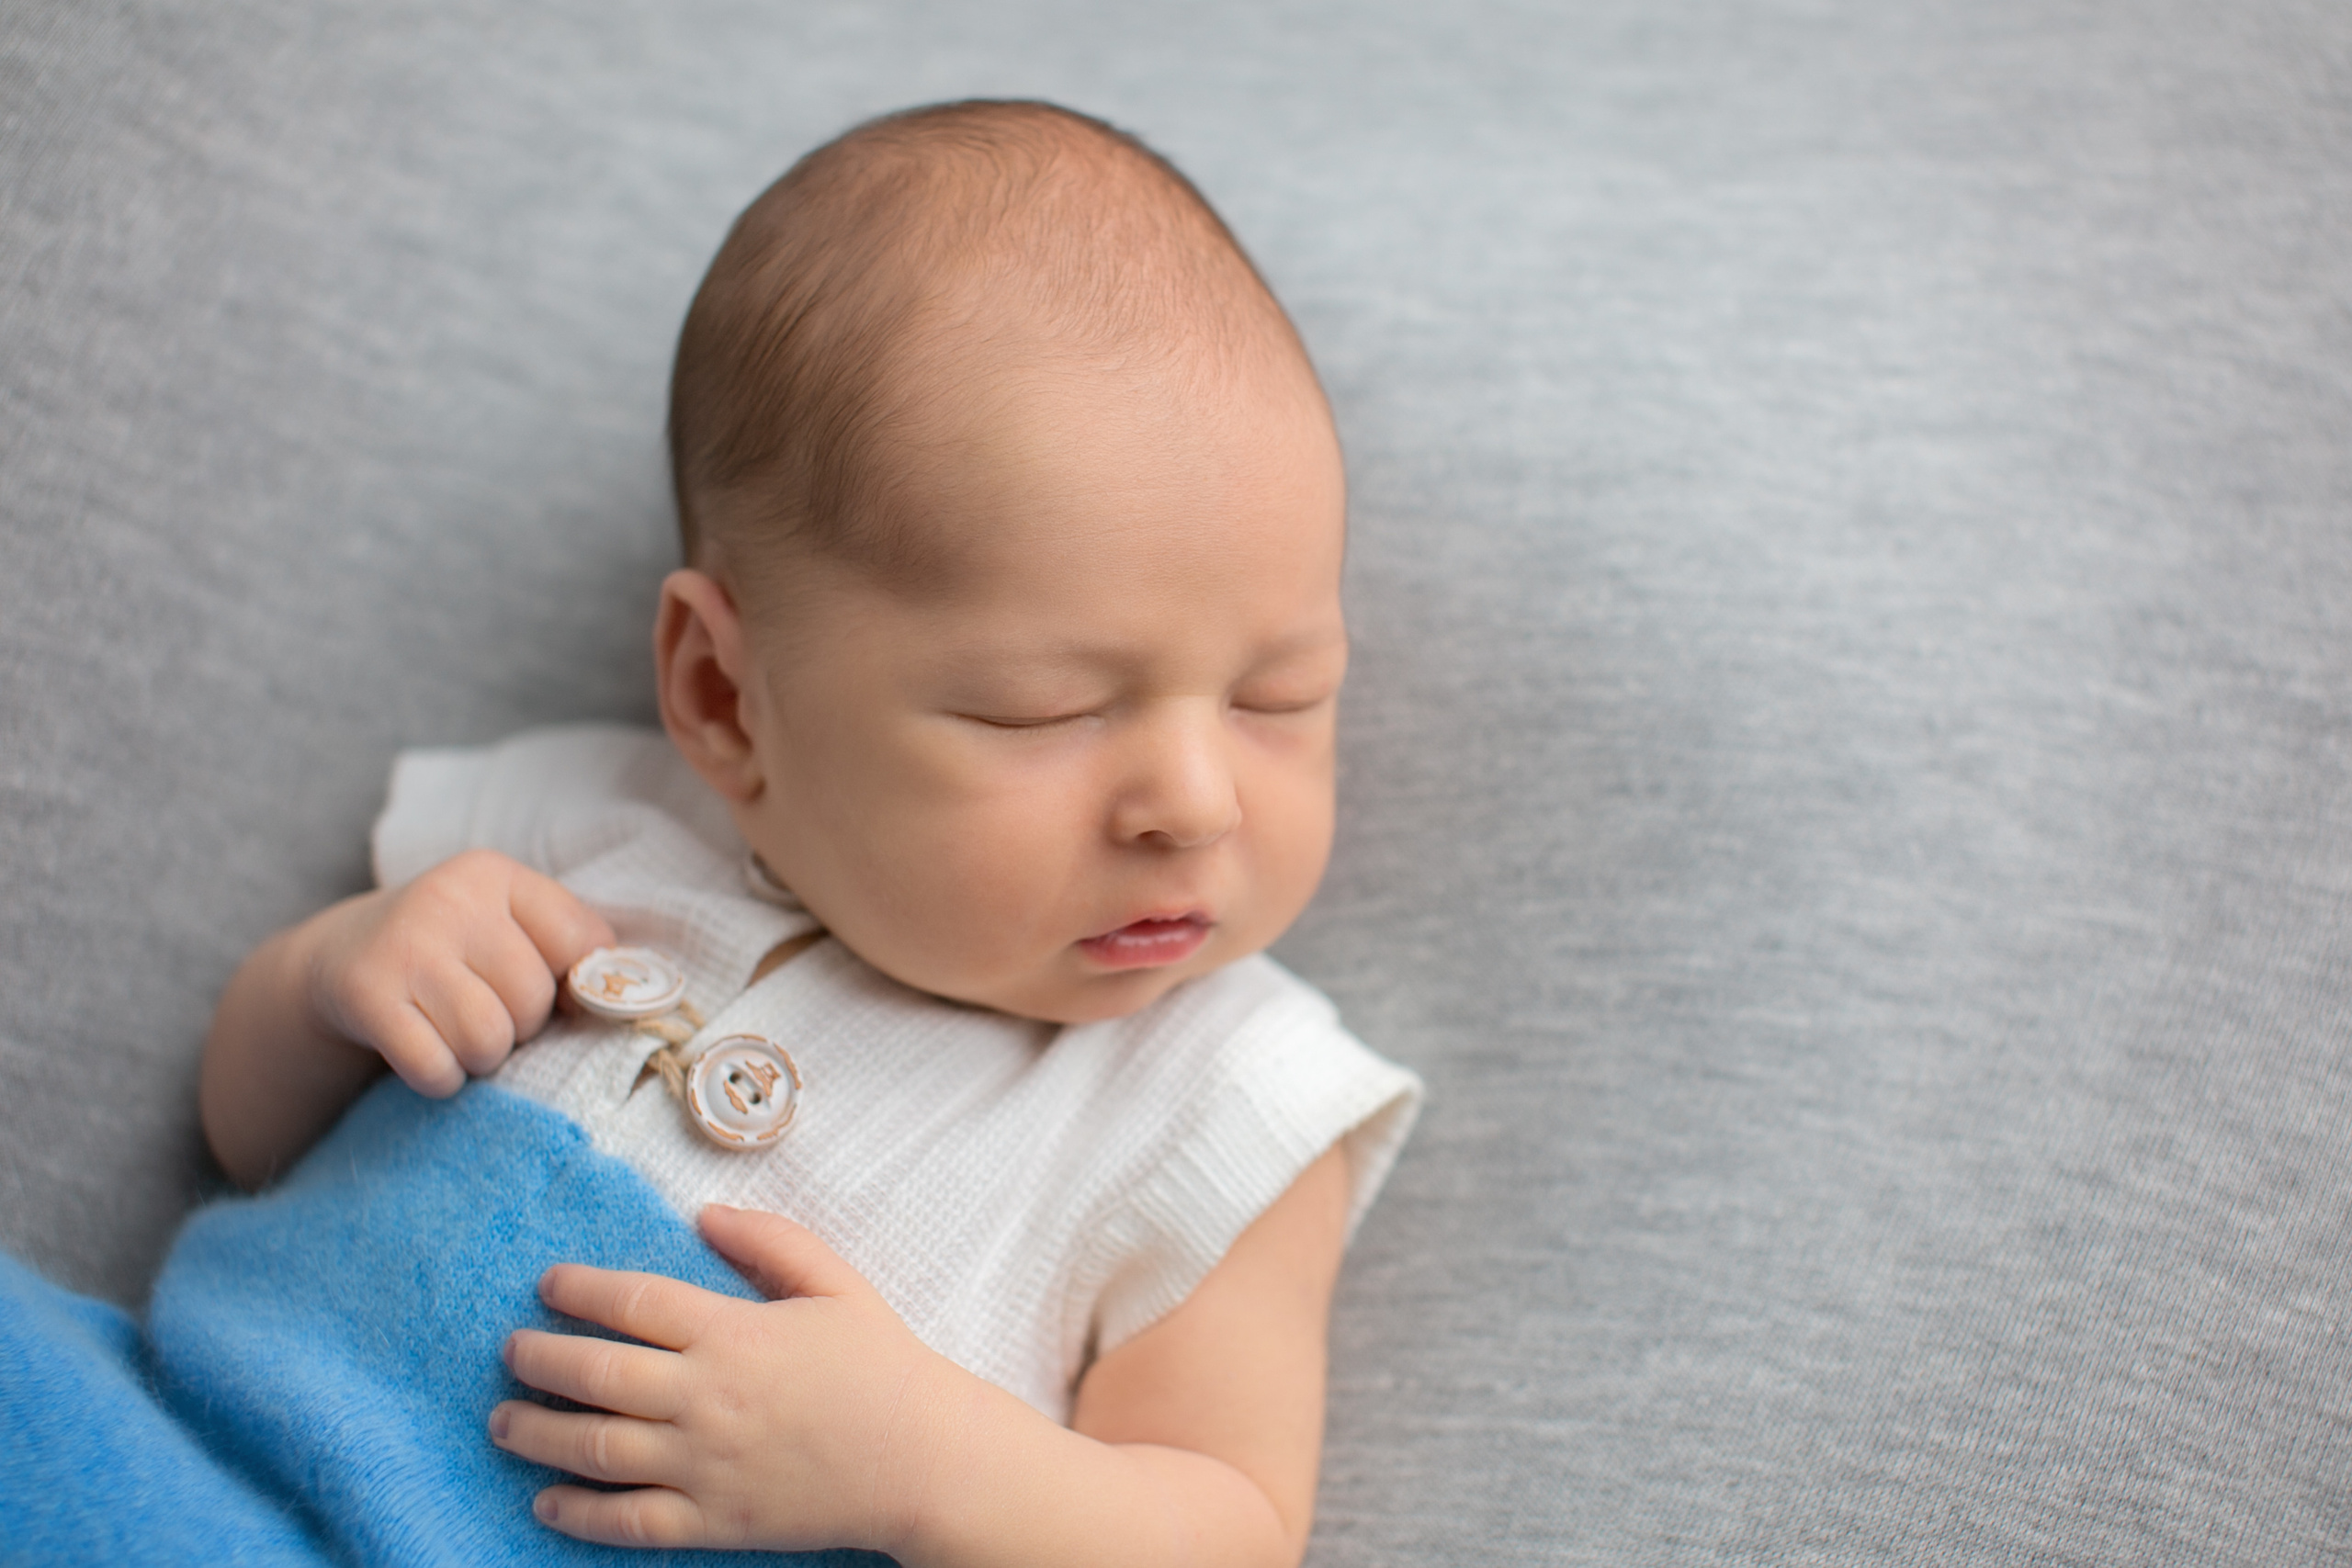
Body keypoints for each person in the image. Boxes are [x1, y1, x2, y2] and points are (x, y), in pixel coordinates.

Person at [0, 99, 1419, 1567]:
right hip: (171, 1451)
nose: (1195, 801)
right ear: (724, 696)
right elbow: (245, 1131)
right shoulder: (588, 826)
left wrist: (929, 1465)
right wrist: (329, 985)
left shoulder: (1219, 1098)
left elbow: (1230, 1528)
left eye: (1278, 695)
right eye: (1043, 709)